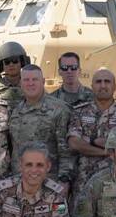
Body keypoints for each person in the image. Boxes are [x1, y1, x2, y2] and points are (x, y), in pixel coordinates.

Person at [67, 67, 116, 202]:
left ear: (114, 86)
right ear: (92, 86)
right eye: (98, 82)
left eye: (107, 82)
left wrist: (89, 142)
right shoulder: (79, 111)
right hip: (83, 183)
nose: (103, 85)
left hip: (115, 184)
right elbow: (74, 143)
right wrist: (107, 151)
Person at [9, 64, 74, 192]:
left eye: (35, 79)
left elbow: (66, 151)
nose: (30, 83)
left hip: (49, 183)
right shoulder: (15, 111)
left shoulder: (59, 110)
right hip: (20, 183)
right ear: (21, 83)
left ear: (43, 82)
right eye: (26, 80)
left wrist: (64, 180)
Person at [0, 41, 28, 112]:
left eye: (15, 61)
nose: (11, 65)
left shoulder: (31, 84)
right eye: (7, 62)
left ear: (22, 62)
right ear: (1, 66)